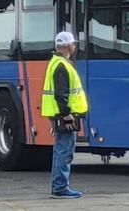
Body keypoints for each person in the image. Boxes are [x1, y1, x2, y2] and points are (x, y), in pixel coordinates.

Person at [41, 31, 89, 199]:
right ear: (69, 46)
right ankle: (60, 188)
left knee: (60, 150)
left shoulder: (57, 63)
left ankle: (59, 186)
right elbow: (61, 94)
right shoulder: (62, 65)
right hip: (65, 116)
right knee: (64, 151)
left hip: (59, 114)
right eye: (73, 44)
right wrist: (66, 114)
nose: (75, 46)